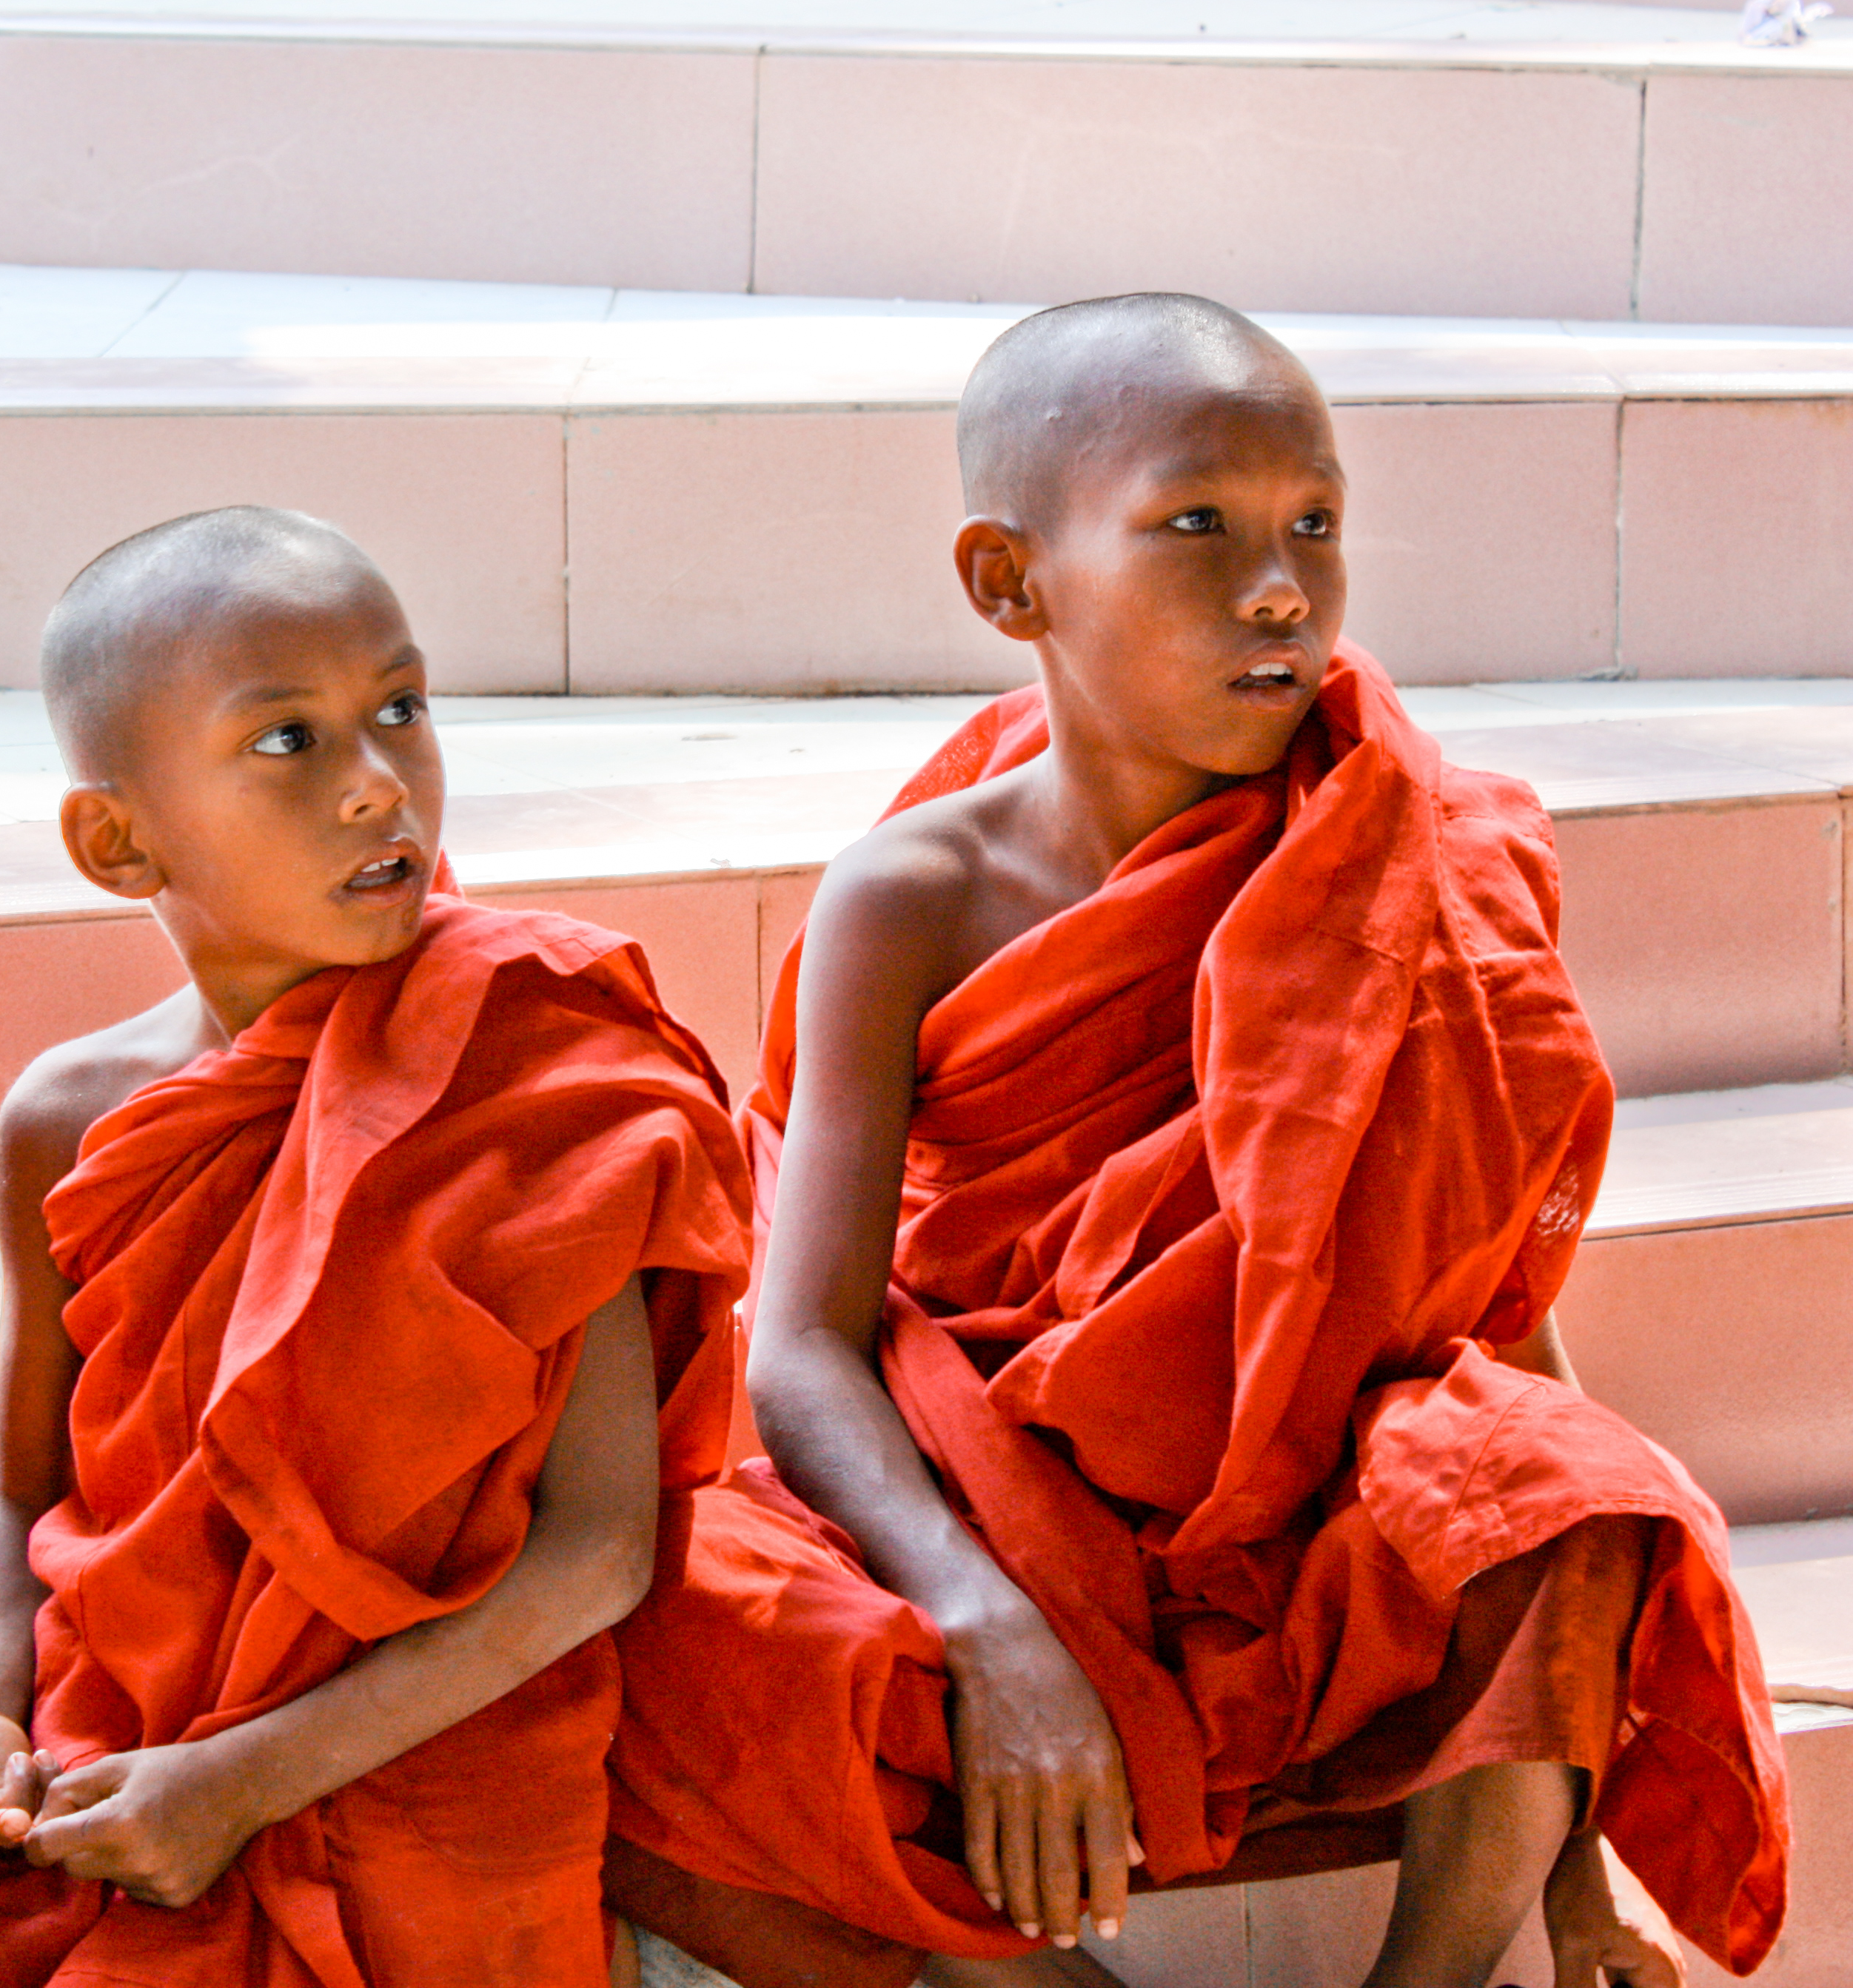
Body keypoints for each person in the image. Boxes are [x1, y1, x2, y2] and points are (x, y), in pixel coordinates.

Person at [606, 296, 1790, 1988]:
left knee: (1571, 1488)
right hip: (998, 1478)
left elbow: (1471, 1294)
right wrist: (985, 1620)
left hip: (1294, 1508)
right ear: (1011, 584)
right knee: (667, 1630)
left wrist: (1579, 1863)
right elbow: (796, 1345)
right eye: (1198, 529)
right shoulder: (916, 896)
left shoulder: (1400, 854)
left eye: (1315, 523)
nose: (1282, 589)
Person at [0, 506, 751, 1987]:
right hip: (135, 1745)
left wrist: (245, 1780)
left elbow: (597, 1548)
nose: (378, 784)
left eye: (399, 708)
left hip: (441, 1746)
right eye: (289, 742)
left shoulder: (528, 1063)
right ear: (116, 836)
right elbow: (25, 1500)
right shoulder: (68, 1120)